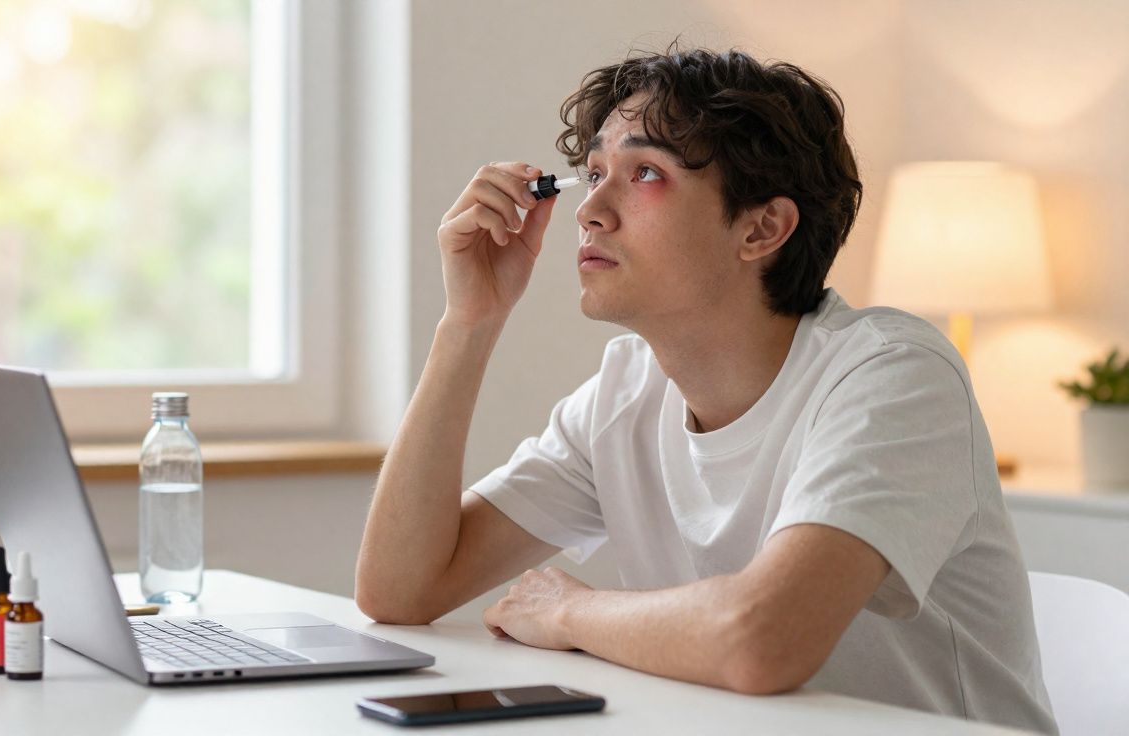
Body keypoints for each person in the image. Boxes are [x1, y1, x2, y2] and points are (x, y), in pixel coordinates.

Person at [354, 46, 1055, 734]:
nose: (590, 209)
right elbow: (399, 591)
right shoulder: (624, 393)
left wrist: (569, 612)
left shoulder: (892, 376)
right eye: (595, 172)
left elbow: (763, 641)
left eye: (645, 172)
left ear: (762, 228)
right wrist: (469, 321)